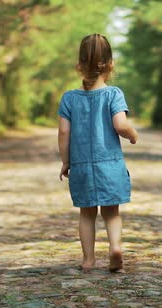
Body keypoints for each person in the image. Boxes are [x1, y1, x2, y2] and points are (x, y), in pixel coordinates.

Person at [57, 33, 139, 273]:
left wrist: (66, 161)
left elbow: (63, 133)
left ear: (79, 65)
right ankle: (115, 249)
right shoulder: (114, 94)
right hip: (110, 165)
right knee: (112, 213)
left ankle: (89, 260)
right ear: (111, 64)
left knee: (87, 213)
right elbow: (120, 125)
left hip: (81, 166)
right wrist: (133, 134)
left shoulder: (69, 98)